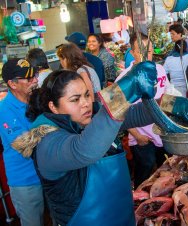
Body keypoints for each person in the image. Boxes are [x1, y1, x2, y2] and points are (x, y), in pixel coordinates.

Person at [12, 60, 157, 225]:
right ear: (53, 107)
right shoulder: (46, 142)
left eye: (87, 95)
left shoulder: (91, 117)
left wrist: (171, 106)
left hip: (122, 217)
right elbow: (83, 149)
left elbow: (134, 114)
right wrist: (126, 89)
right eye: (75, 99)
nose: (86, 103)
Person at [115, 33, 169, 187]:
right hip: (142, 138)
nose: (146, 56)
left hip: (163, 134)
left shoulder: (160, 70)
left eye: (150, 51)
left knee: (166, 174)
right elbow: (118, 113)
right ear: (132, 53)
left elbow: (165, 97)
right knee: (144, 177)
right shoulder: (125, 79)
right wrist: (137, 135)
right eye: (142, 51)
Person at [0, 59, 44, 226]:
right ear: (12, 84)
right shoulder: (4, 110)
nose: (34, 80)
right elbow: (25, 146)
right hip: (26, 181)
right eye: (28, 78)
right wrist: (51, 126)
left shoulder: (36, 100)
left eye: (34, 75)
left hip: (48, 174)